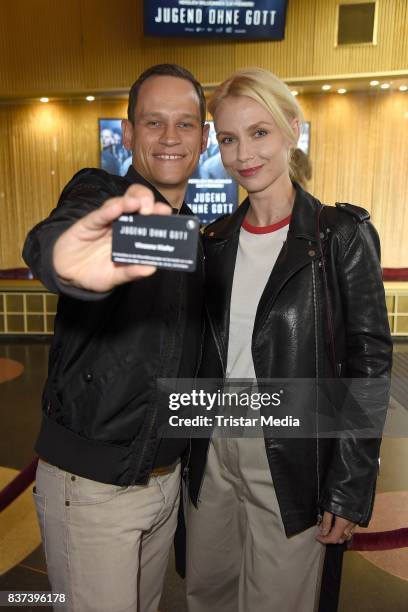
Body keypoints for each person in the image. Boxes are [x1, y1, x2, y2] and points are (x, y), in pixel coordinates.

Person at [184, 68, 392, 612]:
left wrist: (350, 485)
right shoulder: (215, 241)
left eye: (260, 133)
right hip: (210, 444)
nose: (243, 153)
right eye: (228, 139)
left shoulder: (339, 236)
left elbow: (368, 366)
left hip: (292, 450)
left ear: (292, 130)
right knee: (207, 594)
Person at [22, 63, 209, 612]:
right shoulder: (101, 194)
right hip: (93, 491)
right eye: (153, 122)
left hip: (164, 484)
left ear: (202, 136)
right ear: (127, 135)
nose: (170, 137)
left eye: (185, 123)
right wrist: (64, 259)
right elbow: (58, 236)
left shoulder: (193, 232)